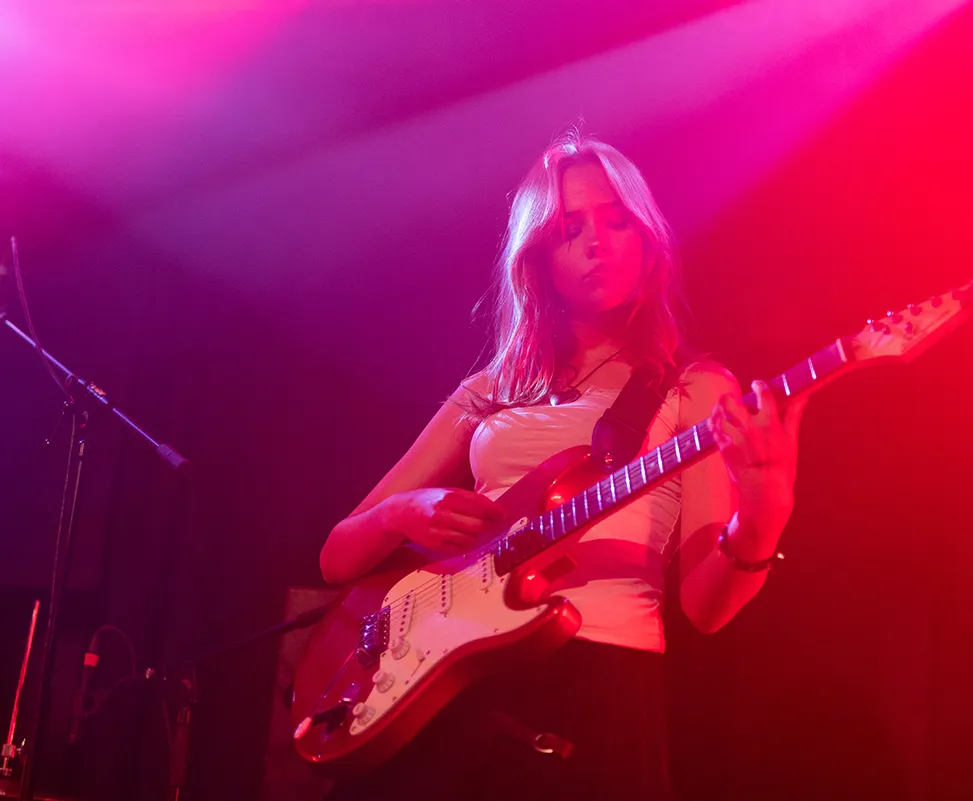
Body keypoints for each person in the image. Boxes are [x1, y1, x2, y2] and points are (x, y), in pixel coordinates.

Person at [318, 130, 805, 801]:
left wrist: (765, 510)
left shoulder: (692, 389)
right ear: (538, 256)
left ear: (648, 240)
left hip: (596, 688)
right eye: (568, 228)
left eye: (616, 220)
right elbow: (339, 556)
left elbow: (706, 606)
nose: (596, 242)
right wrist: (408, 512)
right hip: (448, 680)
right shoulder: (491, 389)